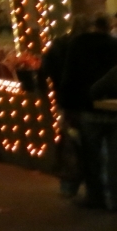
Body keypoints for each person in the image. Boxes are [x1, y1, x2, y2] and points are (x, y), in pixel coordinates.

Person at [59, 14, 117, 208]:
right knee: (113, 157)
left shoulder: (77, 46)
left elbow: (69, 78)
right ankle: (113, 198)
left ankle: (96, 196)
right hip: (112, 108)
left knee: (91, 156)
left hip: (86, 108)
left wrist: (66, 107)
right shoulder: (114, 44)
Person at [40, 14, 91, 198]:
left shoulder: (59, 44)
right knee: (88, 144)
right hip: (88, 100)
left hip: (66, 98)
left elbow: (45, 69)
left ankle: (69, 183)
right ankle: (90, 184)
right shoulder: (89, 46)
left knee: (70, 141)